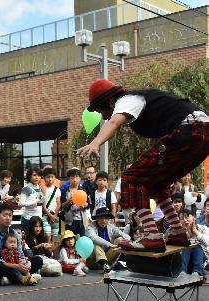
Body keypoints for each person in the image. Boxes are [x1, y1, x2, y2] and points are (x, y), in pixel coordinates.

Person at [78, 79, 209, 252]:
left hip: (190, 130)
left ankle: (152, 237)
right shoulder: (142, 103)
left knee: (131, 177)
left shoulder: (127, 99)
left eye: (102, 110)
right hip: (201, 135)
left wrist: (96, 142)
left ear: (110, 101)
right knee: (155, 181)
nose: (103, 116)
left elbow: (114, 123)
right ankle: (178, 231)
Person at [0, 202, 41, 285]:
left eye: (10, 215)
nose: (8, 218)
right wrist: (16, 267)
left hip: (14, 264)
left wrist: (22, 262)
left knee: (38, 260)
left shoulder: (15, 234)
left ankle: (9, 279)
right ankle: (20, 278)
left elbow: (20, 254)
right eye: (5, 215)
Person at [85, 207, 130, 272]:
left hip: (108, 261)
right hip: (93, 262)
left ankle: (107, 265)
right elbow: (94, 238)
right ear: (97, 219)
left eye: (106, 218)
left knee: (120, 239)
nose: (104, 221)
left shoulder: (111, 226)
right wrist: (109, 244)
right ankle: (103, 263)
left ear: (108, 219)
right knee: (96, 242)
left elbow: (123, 234)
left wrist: (130, 242)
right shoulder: (90, 227)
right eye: (101, 218)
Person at [60, 168, 89, 236]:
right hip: (70, 221)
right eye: (72, 177)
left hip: (81, 220)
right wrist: (68, 201)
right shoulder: (65, 191)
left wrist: (84, 205)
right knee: (70, 240)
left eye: (77, 177)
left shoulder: (83, 191)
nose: (74, 179)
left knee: (81, 239)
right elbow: (62, 206)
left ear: (80, 179)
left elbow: (88, 204)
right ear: (69, 179)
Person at [179, 209, 206, 276]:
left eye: (187, 217)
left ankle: (197, 273)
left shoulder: (203, 228)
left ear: (194, 217)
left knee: (197, 246)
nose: (185, 220)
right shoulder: (178, 232)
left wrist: (195, 231)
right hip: (184, 260)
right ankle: (182, 272)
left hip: (202, 260)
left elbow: (207, 243)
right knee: (187, 246)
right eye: (182, 218)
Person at [18, 168, 44, 232]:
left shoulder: (40, 188)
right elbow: (20, 204)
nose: (37, 177)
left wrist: (44, 194)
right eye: (34, 175)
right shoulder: (26, 188)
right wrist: (34, 203)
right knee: (27, 239)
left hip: (38, 219)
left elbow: (42, 202)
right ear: (29, 177)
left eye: (39, 176)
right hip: (28, 219)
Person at [42, 167, 61, 240]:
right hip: (45, 215)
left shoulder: (57, 189)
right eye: (48, 177)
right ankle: (48, 251)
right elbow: (42, 204)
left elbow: (58, 203)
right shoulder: (42, 189)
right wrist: (50, 216)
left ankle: (52, 251)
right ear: (44, 178)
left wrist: (55, 215)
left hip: (55, 216)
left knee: (55, 237)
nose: (50, 179)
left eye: (52, 177)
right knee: (47, 235)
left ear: (55, 178)